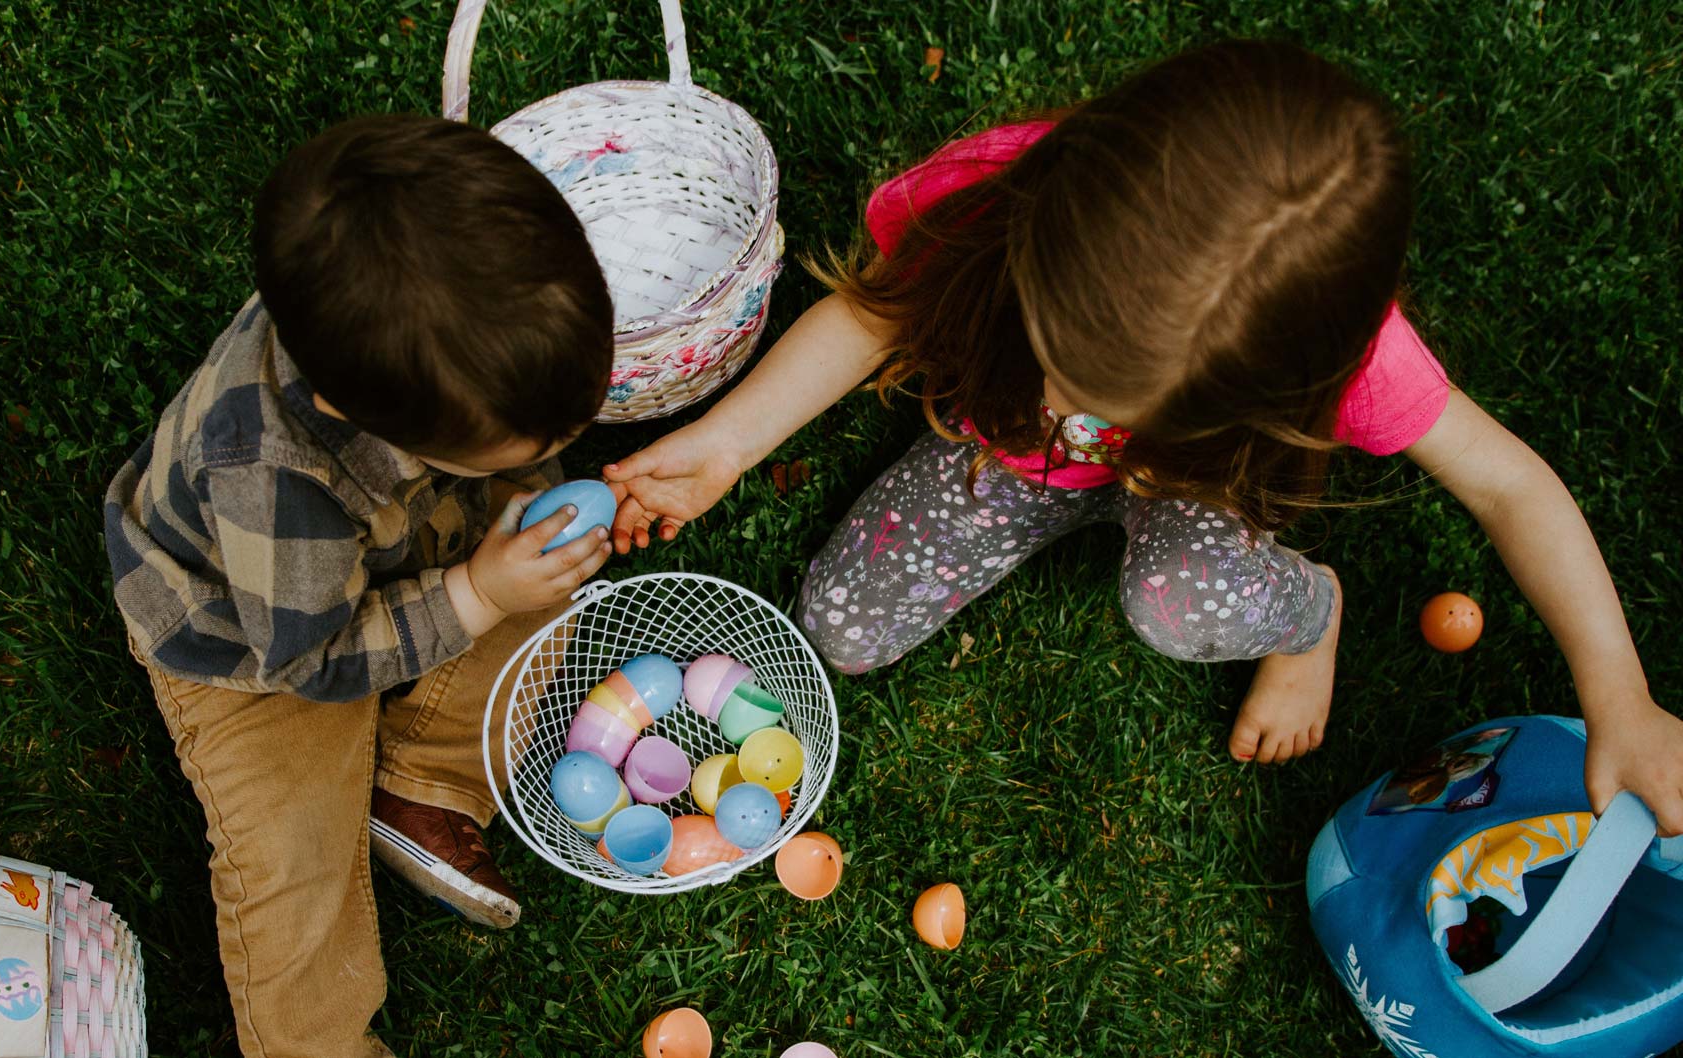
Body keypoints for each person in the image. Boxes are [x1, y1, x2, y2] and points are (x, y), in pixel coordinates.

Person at [603, 41, 1683, 835]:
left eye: (1113, 389)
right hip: (1000, 454)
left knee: (1174, 602)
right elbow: (873, 311)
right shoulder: (1000, 189)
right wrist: (730, 440)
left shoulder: (1353, 356)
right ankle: (1059, 499)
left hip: (1199, 496)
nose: (1071, 394)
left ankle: (1308, 615)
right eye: (1054, 338)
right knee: (836, 628)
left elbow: (1511, 487)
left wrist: (1618, 694)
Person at [103, 114, 614, 1057]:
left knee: (552, 582)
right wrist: (481, 593)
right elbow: (315, 660)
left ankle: (420, 782)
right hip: (255, 640)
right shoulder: (274, 479)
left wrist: (516, 535)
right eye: (532, 444)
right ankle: (315, 1047)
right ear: (373, 420)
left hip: (406, 545)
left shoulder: (399, 334)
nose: (556, 457)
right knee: (294, 871)